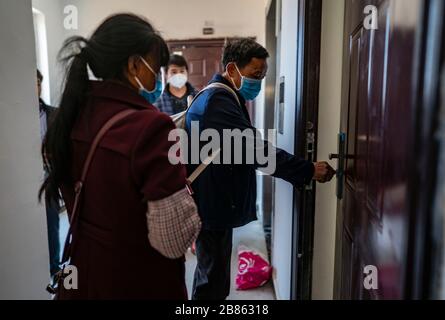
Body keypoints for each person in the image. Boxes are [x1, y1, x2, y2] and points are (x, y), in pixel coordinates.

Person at [39, 13, 200, 299]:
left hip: (86, 274)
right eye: (156, 66)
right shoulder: (151, 126)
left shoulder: (70, 117)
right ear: (134, 64)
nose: (159, 76)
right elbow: (172, 242)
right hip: (139, 279)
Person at [185, 38, 336, 300]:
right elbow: (254, 150)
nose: (259, 82)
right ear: (232, 70)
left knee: (212, 274)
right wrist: (307, 169)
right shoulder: (218, 100)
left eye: (263, 75)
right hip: (212, 204)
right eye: (255, 74)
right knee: (213, 280)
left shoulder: (224, 96)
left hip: (214, 200)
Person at [37, 69, 61, 280]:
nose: (35, 87)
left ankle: (54, 267)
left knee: (52, 224)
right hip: (25, 179)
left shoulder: (54, 114)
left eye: (38, 83)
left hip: (50, 176)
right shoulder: (15, 118)